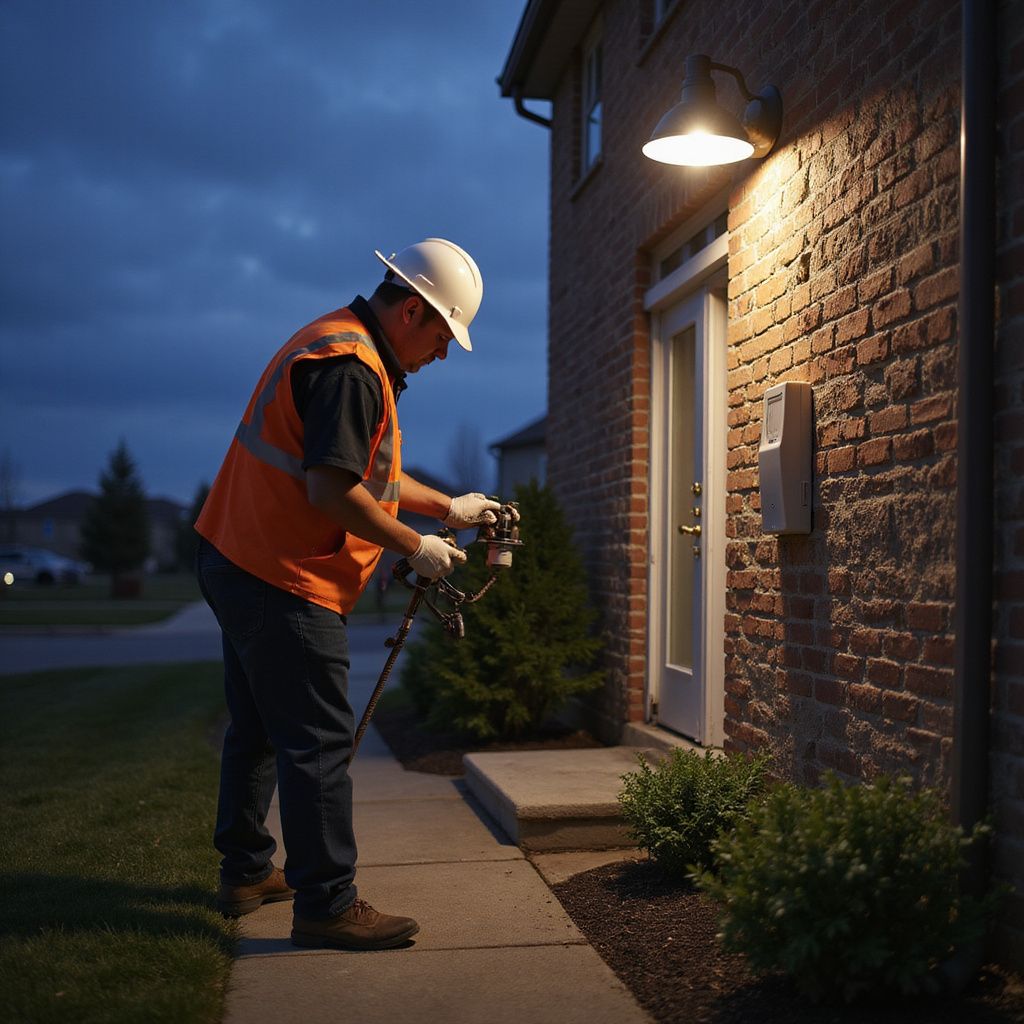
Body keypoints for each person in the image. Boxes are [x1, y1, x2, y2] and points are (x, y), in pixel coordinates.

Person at [194, 238, 503, 951]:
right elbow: (331, 490)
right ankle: (327, 903)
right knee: (321, 743)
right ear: (412, 311)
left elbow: (362, 475)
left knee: (260, 731)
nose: (445, 353)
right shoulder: (352, 369)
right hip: (281, 577)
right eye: (444, 335)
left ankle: (245, 873)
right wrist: (414, 547)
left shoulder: (338, 340)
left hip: (234, 555)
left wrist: (444, 508)